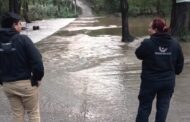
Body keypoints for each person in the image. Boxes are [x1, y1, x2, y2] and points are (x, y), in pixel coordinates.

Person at [135, 17, 184, 122]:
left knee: (144, 108)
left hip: (150, 82)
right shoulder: (175, 44)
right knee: (163, 108)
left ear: (156, 29)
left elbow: (138, 54)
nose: (148, 30)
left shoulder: (148, 43)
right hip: (168, 82)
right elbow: (180, 65)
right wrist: (173, 72)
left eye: (150, 28)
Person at [0, 12, 44, 122]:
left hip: (7, 85)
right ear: (14, 25)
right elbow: (37, 61)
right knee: (33, 113)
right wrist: (37, 78)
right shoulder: (23, 39)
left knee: (17, 114)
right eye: (19, 23)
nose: (21, 26)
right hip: (25, 84)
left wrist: (2, 81)